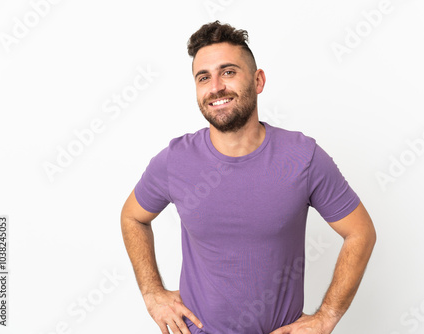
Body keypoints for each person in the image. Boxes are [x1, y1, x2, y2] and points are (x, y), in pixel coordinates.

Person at [121, 21, 376, 334]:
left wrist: (326, 318)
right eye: (204, 77)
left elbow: (360, 231)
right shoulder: (176, 161)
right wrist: (152, 294)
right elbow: (132, 217)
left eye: (228, 72)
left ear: (258, 80)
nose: (215, 86)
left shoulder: (303, 156)